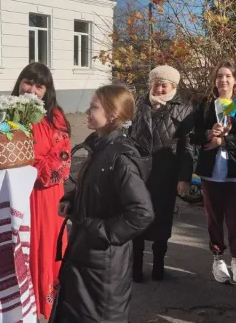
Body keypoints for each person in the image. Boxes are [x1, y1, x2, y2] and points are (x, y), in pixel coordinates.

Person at [54, 85, 154, 323]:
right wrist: (72, 199)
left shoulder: (120, 157)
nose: (87, 111)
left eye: (94, 107)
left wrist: (100, 231)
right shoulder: (100, 147)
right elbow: (97, 187)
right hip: (85, 255)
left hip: (103, 264)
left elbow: (142, 213)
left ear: (112, 114)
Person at [11, 62, 72, 320]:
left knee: (46, 245)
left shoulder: (54, 117)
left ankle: (46, 307)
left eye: (39, 86)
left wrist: (30, 167)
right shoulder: (6, 113)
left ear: (47, 90)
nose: (32, 90)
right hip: (16, 193)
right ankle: (18, 304)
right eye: (28, 82)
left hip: (46, 195)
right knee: (18, 245)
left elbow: (62, 157)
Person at [191, 60, 236, 283]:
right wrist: (209, 133)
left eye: (228, 76)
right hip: (211, 172)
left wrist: (224, 141)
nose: (223, 80)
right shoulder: (207, 104)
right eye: (219, 76)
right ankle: (218, 257)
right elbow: (194, 134)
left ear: (235, 79)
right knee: (214, 218)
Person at [129, 65, 194, 282]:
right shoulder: (139, 103)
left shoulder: (184, 109)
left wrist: (184, 177)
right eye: (155, 84)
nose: (158, 88)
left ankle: (158, 264)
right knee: (136, 216)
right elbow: (128, 135)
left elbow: (188, 146)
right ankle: (135, 266)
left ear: (173, 86)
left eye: (163, 84)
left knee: (162, 220)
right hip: (138, 171)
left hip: (165, 173)